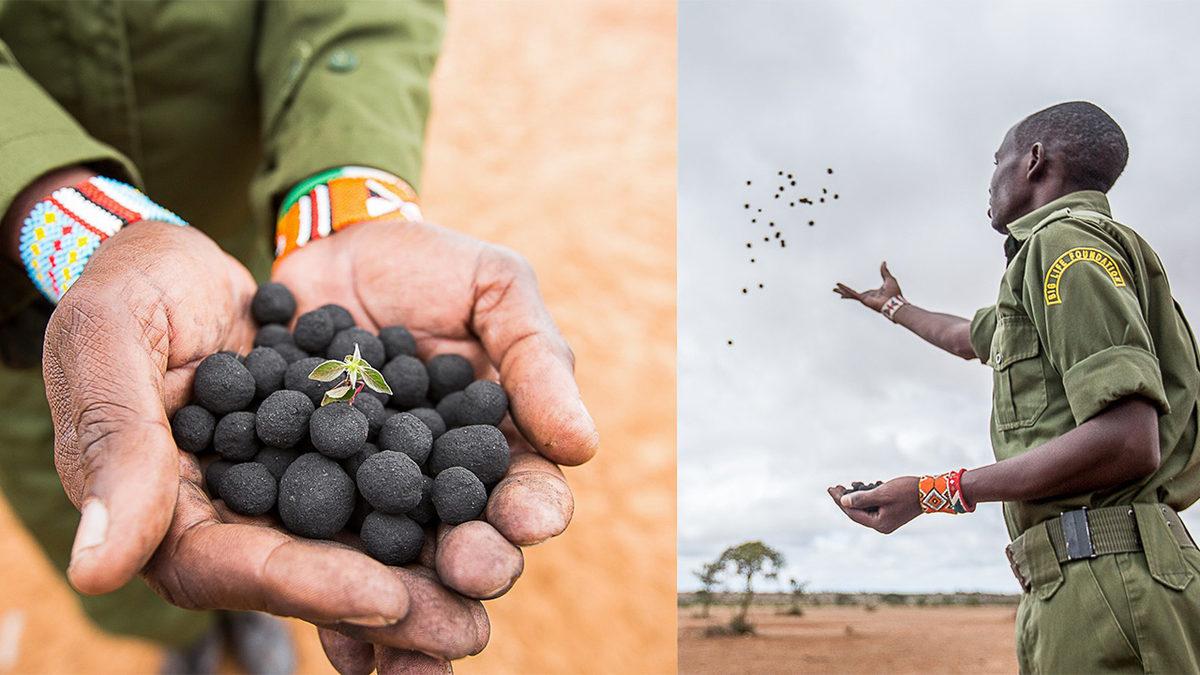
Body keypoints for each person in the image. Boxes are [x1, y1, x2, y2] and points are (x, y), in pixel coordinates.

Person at [0, 2, 598, 673]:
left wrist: (342, 188)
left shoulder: (308, 354)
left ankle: (245, 616)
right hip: (24, 325)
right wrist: (63, 216)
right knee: (125, 501)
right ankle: (181, 636)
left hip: (235, 257)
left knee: (210, 517)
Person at [829, 101, 1200, 672]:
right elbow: (967, 336)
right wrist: (893, 307)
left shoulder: (1063, 245)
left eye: (996, 160)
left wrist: (934, 491)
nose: (990, 178)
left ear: (1032, 161)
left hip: (1107, 578)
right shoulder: (1065, 260)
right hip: (1088, 577)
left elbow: (1129, 438)